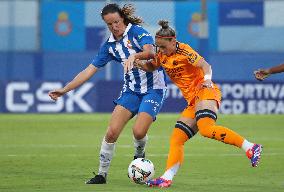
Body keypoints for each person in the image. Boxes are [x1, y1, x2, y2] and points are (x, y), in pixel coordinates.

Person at [130, 20, 263, 188]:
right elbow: (152, 66)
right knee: (177, 138)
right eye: (158, 47)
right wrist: (138, 63)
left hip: (205, 91)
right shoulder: (162, 55)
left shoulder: (185, 51)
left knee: (206, 129)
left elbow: (206, 65)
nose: (160, 50)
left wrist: (207, 80)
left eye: (163, 46)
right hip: (193, 100)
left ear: (173, 41)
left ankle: (251, 147)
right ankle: (167, 177)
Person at [48, 4, 167, 184]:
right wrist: (65, 90)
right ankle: (101, 175)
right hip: (131, 91)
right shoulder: (110, 46)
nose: (114, 27)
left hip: (153, 90)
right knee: (111, 133)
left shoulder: (137, 32)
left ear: (123, 19)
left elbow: (150, 52)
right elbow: (89, 70)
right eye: (109, 24)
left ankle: (139, 156)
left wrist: (134, 57)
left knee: (138, 131)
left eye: (116, 22)